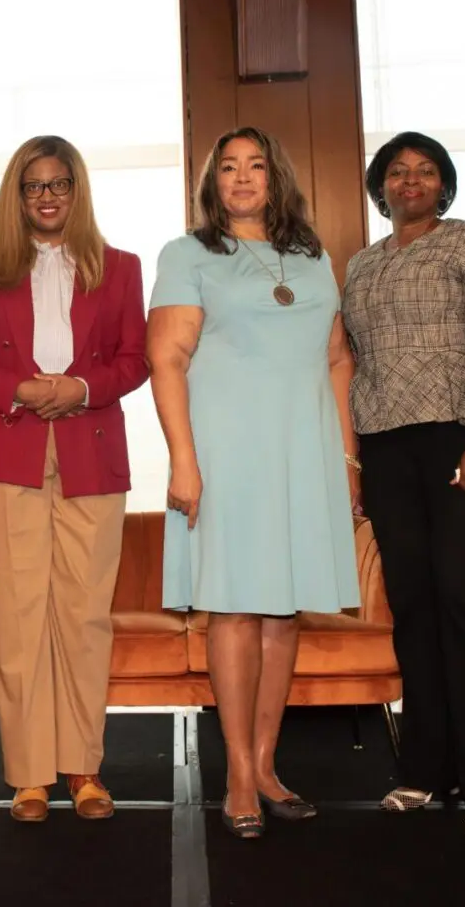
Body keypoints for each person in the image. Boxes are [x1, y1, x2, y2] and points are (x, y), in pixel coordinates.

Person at [147, 126, 360, 839]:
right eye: (228, 168)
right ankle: (237, 773)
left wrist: (347, 458)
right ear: (212, 183)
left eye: (255, 166)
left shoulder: (313, 255)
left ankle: (267, 765)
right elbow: (167, 361)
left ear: (276, 179)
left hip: (304, 453)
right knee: (235, 609)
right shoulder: (187, 255)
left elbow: (335, 359)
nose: (241, 178)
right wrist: (182, 459)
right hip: (225, 454)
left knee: (282, 613)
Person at [0, 135, 149, 822]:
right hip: (9, 450)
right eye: (33, 185)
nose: (46, 196)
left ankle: (84, 771)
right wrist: (23, 390)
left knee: (84, 616)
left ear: (76, 189)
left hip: (92, 451)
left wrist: (84, 387)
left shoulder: (119, 267)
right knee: (18, 612)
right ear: (17, 194)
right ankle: (29, 775)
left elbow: (134, 360)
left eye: (58, 184)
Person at [343, 132, 465, 838]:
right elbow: (356, 361)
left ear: (443, 185)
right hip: (385, 446)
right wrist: (355, 458)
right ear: (379, 186)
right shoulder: (359, 264)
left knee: (457, 597)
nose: (410, 181)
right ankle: (423, 769)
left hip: (460, 436)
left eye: (424, 171)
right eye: (397, 172)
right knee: (411, 604)